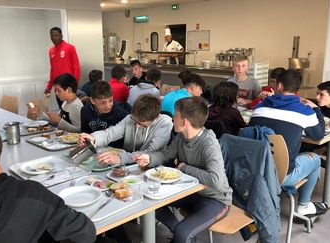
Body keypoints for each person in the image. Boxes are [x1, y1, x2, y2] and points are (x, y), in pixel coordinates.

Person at [133, 97, 232, 243]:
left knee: (182, 233)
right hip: (190, 191)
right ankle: (182, 234)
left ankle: (182, 234)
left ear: (184, 122)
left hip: (214, 199)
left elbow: (216, 181)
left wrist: (186, 168)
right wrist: (149, 158)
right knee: (150, 202)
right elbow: (167, 154)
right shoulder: (181, 136)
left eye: (175, 115)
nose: (172, 119)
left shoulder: (209, 143)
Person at [250, 69, 327, 217]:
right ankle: (304, 206)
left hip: (255, 169)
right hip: (282, 174)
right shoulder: (304, 111)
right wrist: (317, 109)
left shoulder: (260, 107)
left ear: (278, 86)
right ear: (297, 90)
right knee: (315, 158)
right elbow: (318, 135)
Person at [78, 94, 173, 165]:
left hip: (150, 167)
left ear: (155, 118)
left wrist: (121, 158)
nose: (137, 126)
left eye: (143, 125)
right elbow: (110, 133)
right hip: (128, 165)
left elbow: (151, 153)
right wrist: (93, 137)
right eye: (135, 121)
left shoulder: (165, 123)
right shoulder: (130, 118)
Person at [80, 81, 129, 148]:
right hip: (93, 148)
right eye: (102, 103)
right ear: (92, 101)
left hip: (114, 151)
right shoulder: (85, 110)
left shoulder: (121, 114)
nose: (108, 106)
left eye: (110, 100)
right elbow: (85, 133)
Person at [45, 27, 80, 108]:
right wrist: (49, 87)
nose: (54, 38)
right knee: (62, 109)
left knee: (71, 109)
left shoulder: (70, 48)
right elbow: (53, 70)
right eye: (52, 36)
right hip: (57, 88)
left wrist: (74, 85)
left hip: (68, 87)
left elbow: (76, 67)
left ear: (61, 36)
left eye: (56, 35)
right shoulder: (51, 51)